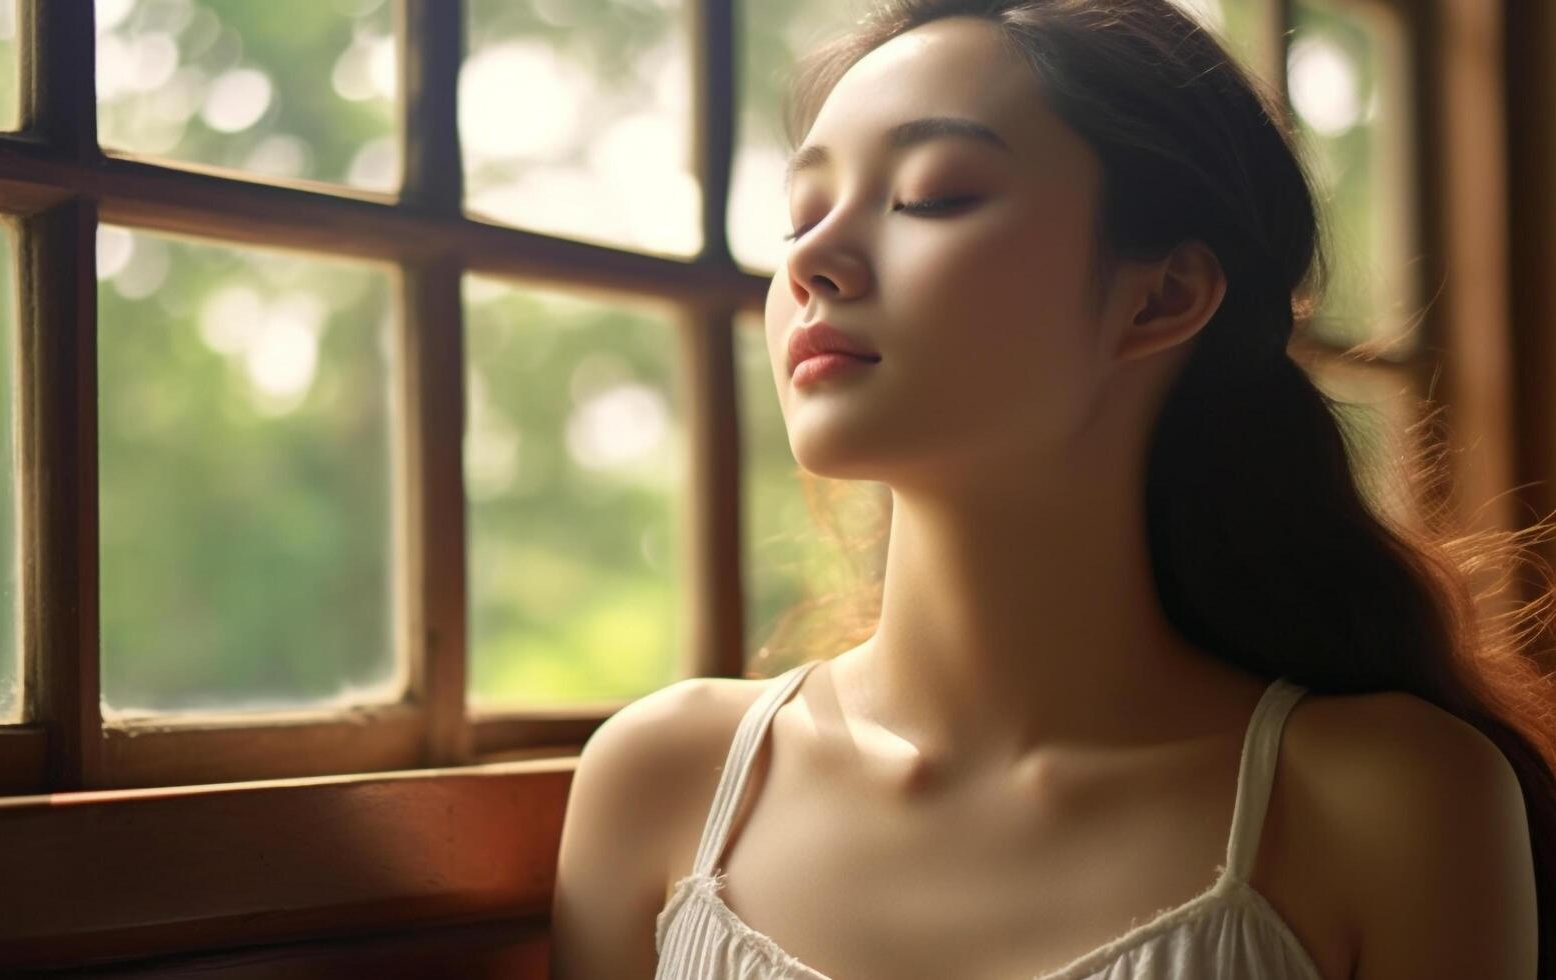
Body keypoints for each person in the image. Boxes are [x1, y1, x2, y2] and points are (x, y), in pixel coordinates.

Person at [550, 1, 1552, 977]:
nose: (810, 258)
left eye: (931, 194)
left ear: (1159, 296)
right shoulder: (662, 778)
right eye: (802, 212)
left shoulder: (1389, 801)